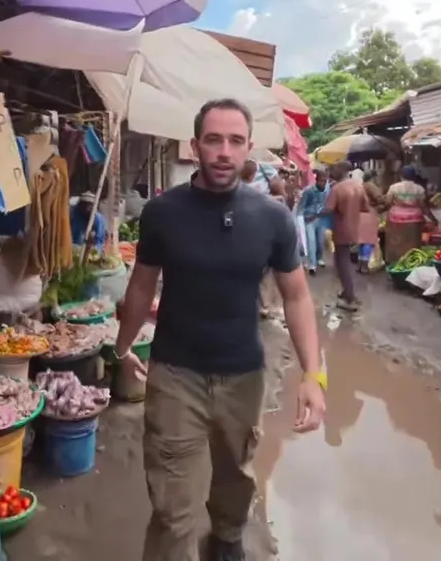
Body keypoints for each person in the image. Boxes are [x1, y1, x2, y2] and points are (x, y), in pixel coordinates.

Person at [113, 98, 326, 561]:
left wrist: (314, 374)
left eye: (235, 141)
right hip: (175, 375)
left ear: (249, 147)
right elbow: (141, 285)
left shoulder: (271, 217)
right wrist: (122, 348)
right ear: (195, 146)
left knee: (236, 476)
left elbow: (296, 296)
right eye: (213, 140)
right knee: (172, 509)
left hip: (244, 377)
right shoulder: (163, 212)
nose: (224, 152)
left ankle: (227, 537)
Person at [325, 161, 369, 310]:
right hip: (354, 227)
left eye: (334, 168)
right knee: (343, 260)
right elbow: (365, 207)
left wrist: (314, 214)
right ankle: (347, 292)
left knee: (342, 263)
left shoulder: (337, 188)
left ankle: (350, 298)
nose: (332, 172)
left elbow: (329, 209)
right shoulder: (358, 186)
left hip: (341, 228)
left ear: (340, 170)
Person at [384, 165, 429, 265]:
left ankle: (395, 262)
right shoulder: (419, 189)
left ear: (401, 175)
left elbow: (387, 202)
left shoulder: (393, 187)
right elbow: (423, 206)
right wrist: (433, 219)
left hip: (395, 219)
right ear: (414, 176)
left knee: (395, 243)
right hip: (415, 220)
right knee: (412, 243)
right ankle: (412, 263)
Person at [298, 172, 330, 274]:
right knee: (311, 241)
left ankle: (319, 258)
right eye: (321, 181)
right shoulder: (308, 191)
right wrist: (300, 221)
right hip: (309, 219)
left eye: (325, 181)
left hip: (320, 218)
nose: (323, 184)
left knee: (320, 241)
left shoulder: (327, 190)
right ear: (316, 180)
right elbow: (301, 207)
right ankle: (312, 265)